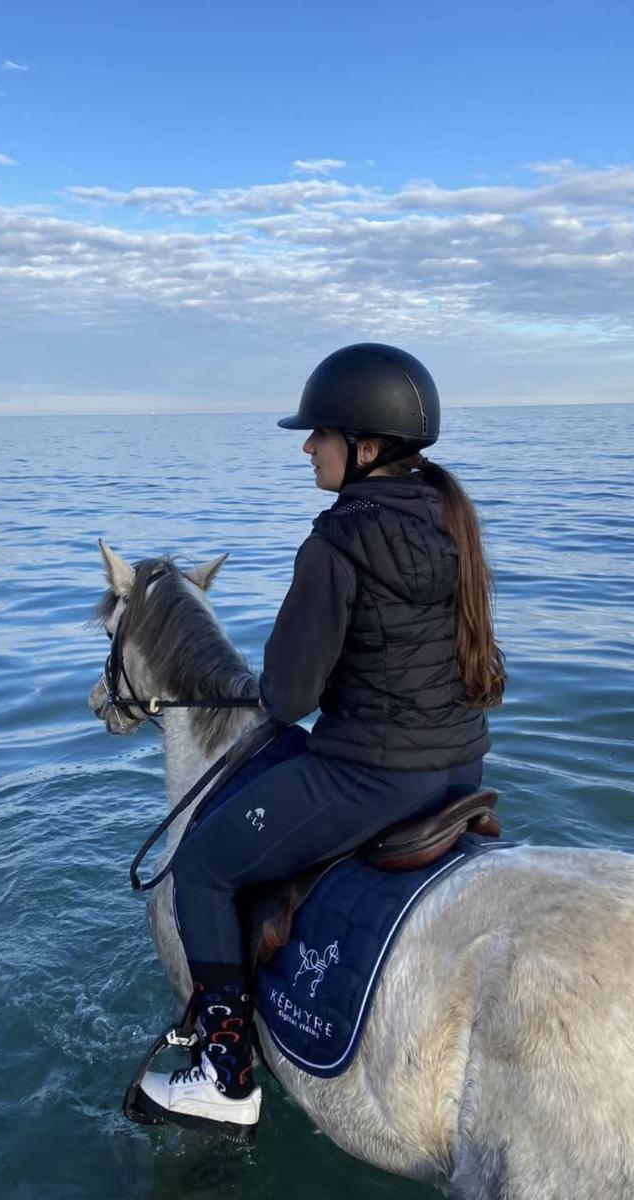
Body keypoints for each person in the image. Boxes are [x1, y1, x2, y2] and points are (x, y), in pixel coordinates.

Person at [136, 343, 505, 1139]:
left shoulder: (336, 543)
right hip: (460, 767)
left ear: (365, 447)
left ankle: (225, 1074)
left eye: (321, 434)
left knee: (201, 866)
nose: (307, 447)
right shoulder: (449, 520)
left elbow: (289, 697)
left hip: (373, 777)